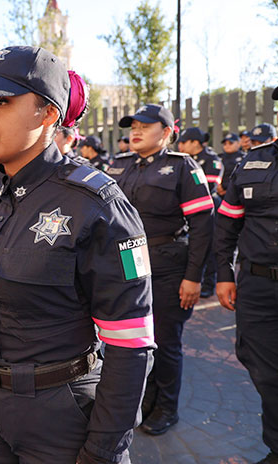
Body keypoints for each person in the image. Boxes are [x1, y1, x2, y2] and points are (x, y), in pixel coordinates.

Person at [0, 46, 154, 464]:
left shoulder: (97, 204)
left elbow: (131, 344)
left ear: (48, 114)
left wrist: (103, 450)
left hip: (58, 412)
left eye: (0, 102)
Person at [110, 104, 214, 436]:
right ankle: (145, 400)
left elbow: (202, 227)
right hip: (128, 263)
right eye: (132, 126)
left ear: (167, 132)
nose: (135, 131)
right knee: (135, 338)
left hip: (168, 264)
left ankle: (166, 407)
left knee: (166, 341)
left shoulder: (183, 167)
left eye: (145, 126)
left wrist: (194, 276)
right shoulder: (120, 165)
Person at [215, 88, 278, 464]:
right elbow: (227, 222)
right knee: (263, 366)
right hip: (257, 286)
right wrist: (224, 272)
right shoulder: (254, 161)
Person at [176, 127, 224, 298]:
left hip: (210, 206)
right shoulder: (183, 161)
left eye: (183, 142)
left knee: (210, 246)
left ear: (195, 143)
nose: (179, 146)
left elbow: (208, 186)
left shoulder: (212, 160)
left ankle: (209, 284)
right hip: (189, 208)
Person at [217, 132, 245, 197]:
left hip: (236, 192)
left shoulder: (244, 157)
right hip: (218, 192)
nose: (227, 145)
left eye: (230, 143)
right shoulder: (218, 157)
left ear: (238, 144)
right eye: (225, 144)